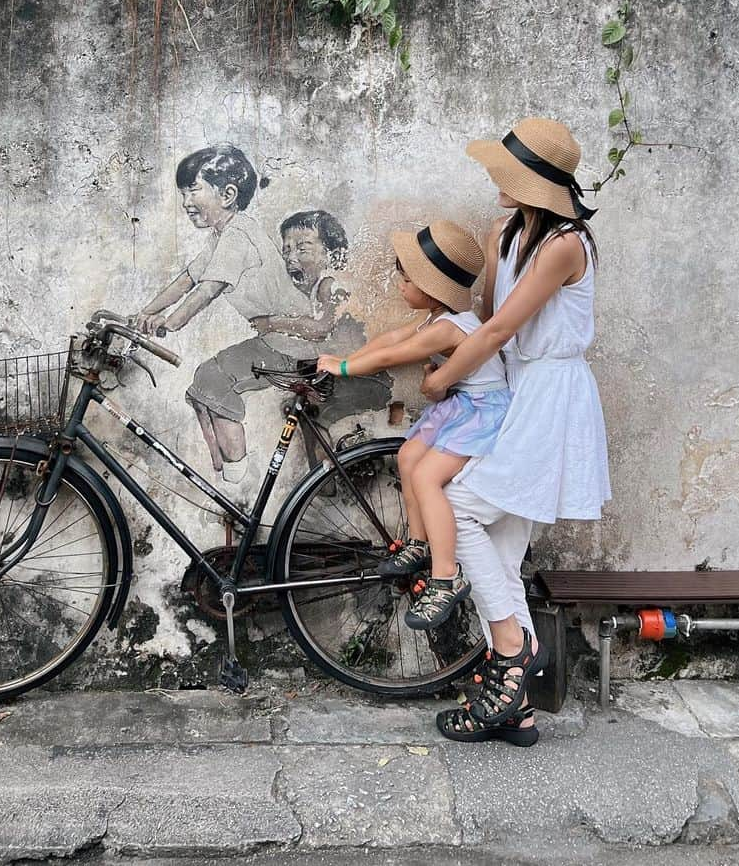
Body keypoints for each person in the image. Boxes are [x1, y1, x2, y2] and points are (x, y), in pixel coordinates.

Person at [424, 118, 610, 748]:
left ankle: (510, 645)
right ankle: (518, 709)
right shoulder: (506, 232)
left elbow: (500, 329)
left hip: (549, 399)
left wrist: (446, 376)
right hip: (517, 390)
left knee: (459, 506)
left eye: (505, 175)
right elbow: (482, 320)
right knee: (499, 559)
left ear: (533, 185)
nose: (494, 182)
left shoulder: (565, 243)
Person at [317, 221, 511, 630]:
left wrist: (347, 367)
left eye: (407, 279)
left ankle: (446, 576)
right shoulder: (435, 319)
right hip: (459, 404)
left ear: (432, 286)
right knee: (408, 457)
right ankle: (419, 543)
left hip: (480, 411)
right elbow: (388, 342)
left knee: (426, 478)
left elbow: (394, 357)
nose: (401, 284)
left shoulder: (447, 328)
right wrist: (345, 358)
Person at [132, 144, 312, 483]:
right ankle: (224, 474)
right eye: (183, 193)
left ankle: (238, 482)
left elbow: (207, 289)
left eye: (193, 191)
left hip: (292, 344)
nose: (186, 202)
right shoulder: (222, 235)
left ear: (227, 194)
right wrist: (143, 312)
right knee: (203, 383)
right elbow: (187, 279)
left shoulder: (239, 235)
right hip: (276, 341)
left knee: (213, 381)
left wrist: (168, 324)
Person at [250, 210, 392, 469]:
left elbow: (321, 329)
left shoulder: (330, 284)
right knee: (304, 410)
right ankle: (325, 480)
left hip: (363, 379)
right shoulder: (311, 291)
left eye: (302, 249)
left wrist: (272, 323)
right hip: (342, 374)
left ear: (332, 255)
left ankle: (337, 474)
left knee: (315, 413)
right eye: (287, 250)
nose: (291, 258)